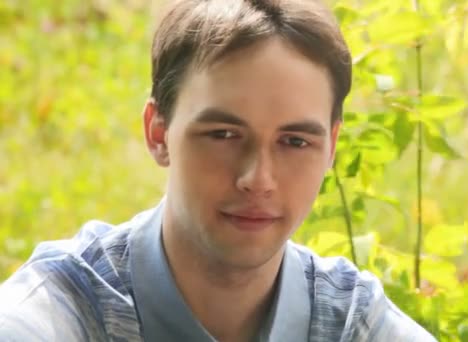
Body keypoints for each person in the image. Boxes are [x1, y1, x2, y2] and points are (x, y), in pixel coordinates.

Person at [0, 1, 436, 341]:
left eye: (295, 142)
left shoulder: (349, 324)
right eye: (224, 134)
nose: (259, 178)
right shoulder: (62, 314)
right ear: (158, 132)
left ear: (331, 149)